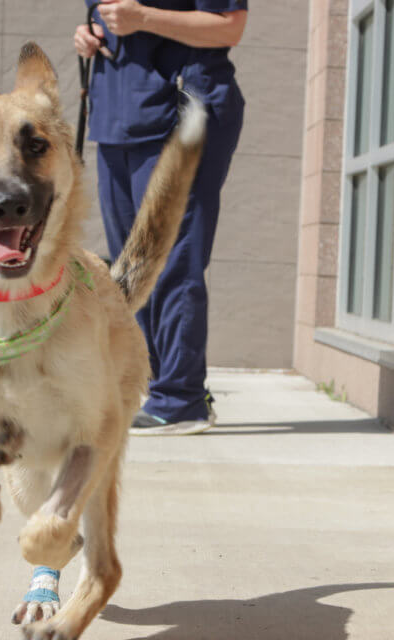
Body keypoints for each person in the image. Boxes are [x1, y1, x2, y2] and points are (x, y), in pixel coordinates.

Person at [74, 0, 247, 435]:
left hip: (179, 110)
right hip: (117, 117)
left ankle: (181, 399)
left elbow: (229, 26)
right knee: (132, 267)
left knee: (171, 259)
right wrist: (90, 34)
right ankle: (160, 388)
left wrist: (143, 19)